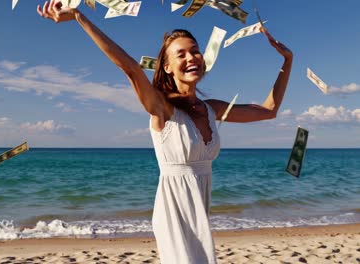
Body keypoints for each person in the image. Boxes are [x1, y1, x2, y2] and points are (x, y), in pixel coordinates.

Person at [37, 2, 293, 263]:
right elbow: (131, 68)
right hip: (173, 217)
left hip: (200, 218)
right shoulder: (162, 108)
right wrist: (80, 17)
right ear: (168, 67)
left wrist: (287, 60)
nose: (191, 57)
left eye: (194, 51)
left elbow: (268, 109)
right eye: (180, 55)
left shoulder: (211, 109)